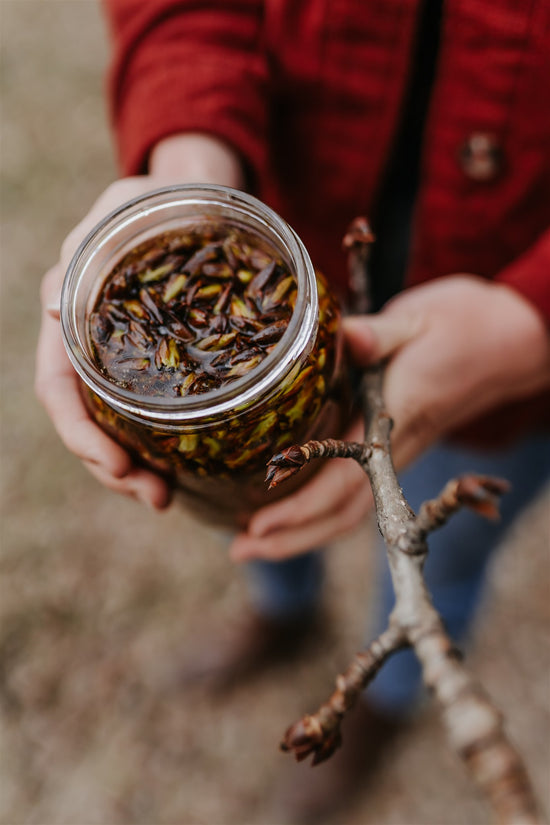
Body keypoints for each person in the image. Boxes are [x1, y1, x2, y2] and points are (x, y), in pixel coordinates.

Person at [36, 0, 550, 819]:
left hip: (510, 354)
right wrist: (188, 165)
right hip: (286, 226)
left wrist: (527, 322)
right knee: (257, 509)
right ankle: (284, 611)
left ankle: (386, 697)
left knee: (441, 549)